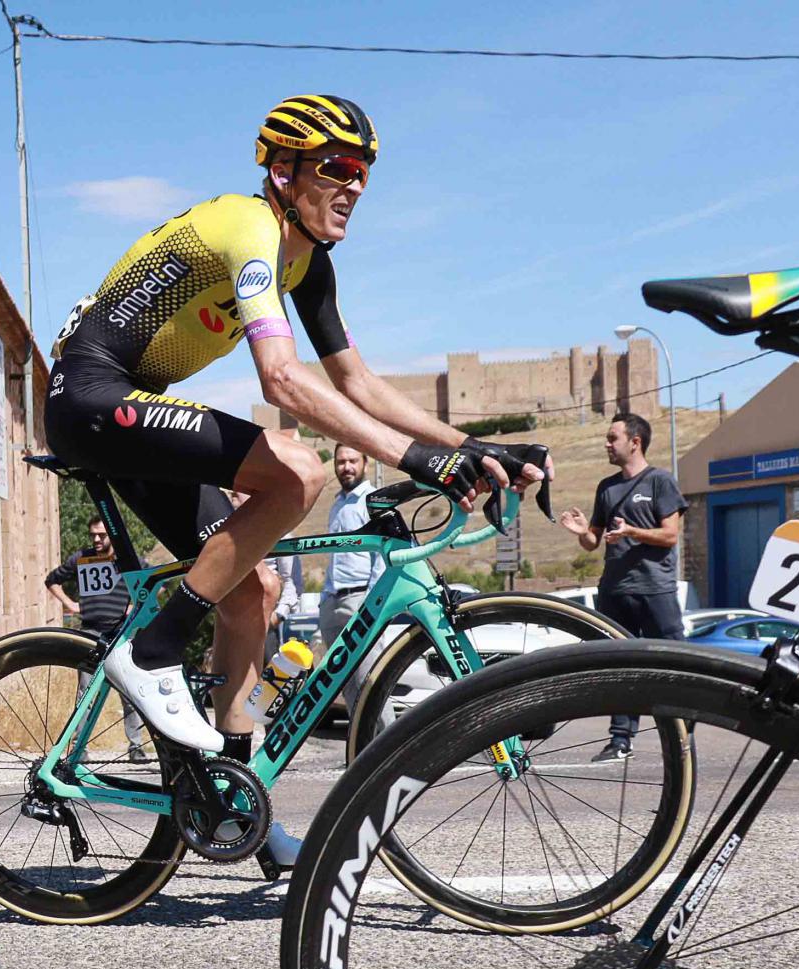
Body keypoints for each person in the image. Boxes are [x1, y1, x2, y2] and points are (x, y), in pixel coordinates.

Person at [44, 94, 545, 756]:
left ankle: (229, 776)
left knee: (255, 592)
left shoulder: (308, 263)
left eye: (362, 173)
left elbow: (357, 382)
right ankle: (153, 650)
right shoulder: (249, 226)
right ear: (284, 172)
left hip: (133, 409)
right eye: (337, 168)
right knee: (298, 471)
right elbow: (280, 378)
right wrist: (412, 458)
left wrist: (470, 446)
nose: (355, 187)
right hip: (89, 397)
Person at [557, 411, 687, 761]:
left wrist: (632, 531)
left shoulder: (660, 481)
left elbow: (670, 536)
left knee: (673, 664)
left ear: (635, 442)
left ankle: (682, 734)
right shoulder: (607, 487)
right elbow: (593, 542)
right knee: (619, 667)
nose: (606, 444)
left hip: (655, 589)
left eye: (612, 438)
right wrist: (581, 532)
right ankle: (620, 741)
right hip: (614, 591)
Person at [45, 516, 148, 760]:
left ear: (112, 535)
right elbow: (52, 580)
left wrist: (135, 605)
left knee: (129, 691)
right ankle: (79, 748)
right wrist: (70, 604)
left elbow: (154, 582)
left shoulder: (128, 559)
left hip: (122, 633)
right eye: (93, 535)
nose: (97, 539)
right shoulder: (81, 558)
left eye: (102, 535)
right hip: (90, 633)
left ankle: (136, 747)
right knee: (86, 692)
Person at [320, 444, 383, 700]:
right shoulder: (336, 505)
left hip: (360, 601)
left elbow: (383, 556)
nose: (346, 467)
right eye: (341, 462)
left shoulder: (374, 500)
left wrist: (371, 601)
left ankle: (387, 730)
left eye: (352, 461)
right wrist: (324, 599)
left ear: (365, 463)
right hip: (332, 603)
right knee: (347, 689)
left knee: (371, 685)